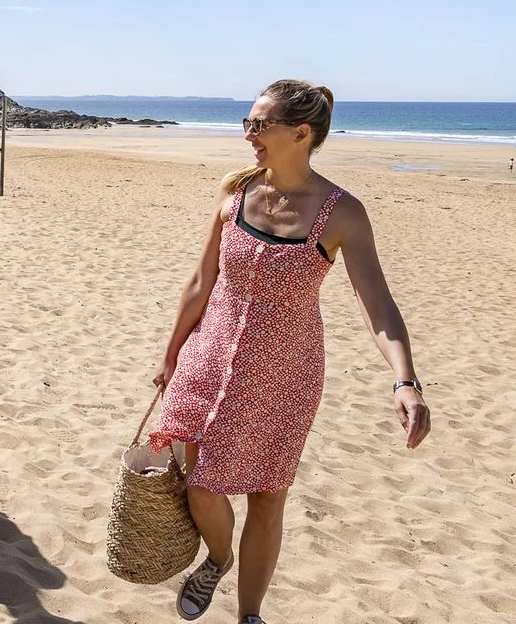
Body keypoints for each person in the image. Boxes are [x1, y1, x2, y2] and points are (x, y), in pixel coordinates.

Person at [147, 79, 431, 624]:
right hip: (207, 361)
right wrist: (170, 354)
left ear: (301, 133)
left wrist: (405, 381)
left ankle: (249, 614)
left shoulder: (342, 213)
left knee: (268, 497)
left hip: (286, 374)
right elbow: (201, 281)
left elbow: (379, 308)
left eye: (260, 124)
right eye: (247, 122)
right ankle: (218, 559)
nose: (248, 134)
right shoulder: (234, 191)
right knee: (200, 486)